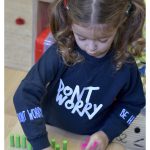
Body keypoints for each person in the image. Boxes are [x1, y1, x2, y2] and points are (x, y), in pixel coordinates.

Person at [13, 0, 146, 149]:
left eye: (103, 39)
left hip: (89, 138)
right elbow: (25, 94)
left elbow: (132, 103)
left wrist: (106, 134)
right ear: (70, 23)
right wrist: (40, 143)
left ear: (120, 24)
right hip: (49, 130)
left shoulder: (126, 65)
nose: (92, 48)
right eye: (82, 38)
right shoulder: (61, 52)